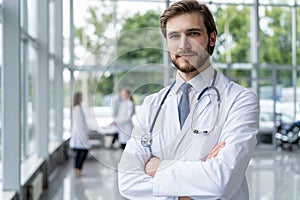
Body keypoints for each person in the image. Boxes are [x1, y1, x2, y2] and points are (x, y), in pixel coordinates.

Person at [118, 1, 259, 199]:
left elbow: (221, 181)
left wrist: (158, 166)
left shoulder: (240, 100)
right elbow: (127, 181)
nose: (183, 45)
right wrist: (196, 179)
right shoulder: (152, 105)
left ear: (212, 38)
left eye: (193, 33)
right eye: (174, 36)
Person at [69, 92, 91, 177]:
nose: (83, 98)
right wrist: (86, 131)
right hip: (80, 133)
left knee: (79, 151)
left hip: (79, 132)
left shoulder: (76, 108)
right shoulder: (78, 108)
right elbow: (81, 123)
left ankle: (77, 169)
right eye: (82, 97)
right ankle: (78, 169)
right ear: (79, 98)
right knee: (84, 151)